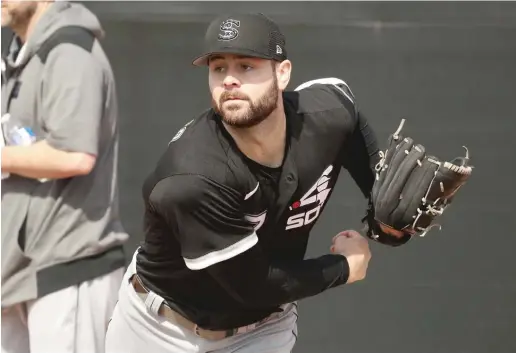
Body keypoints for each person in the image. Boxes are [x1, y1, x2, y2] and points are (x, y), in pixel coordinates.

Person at [105, 13, 412, 353]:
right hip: (161, 330)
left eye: (246, 67)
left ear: (283, 74)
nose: (229, 80)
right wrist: (344, 268)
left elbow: (348, 114)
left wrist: (386, 215)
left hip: (262, 330)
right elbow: (252, 286)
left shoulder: (325, 115)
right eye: (218, 68)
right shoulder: (193, 177)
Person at [1, 1, 128, 353]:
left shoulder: (70, 50)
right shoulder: (23, 54)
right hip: (22, 274)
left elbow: (75, 154)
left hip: (70, 269)